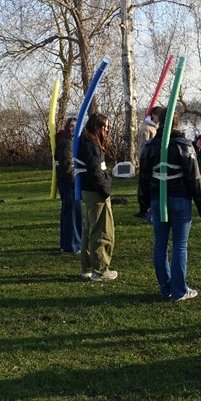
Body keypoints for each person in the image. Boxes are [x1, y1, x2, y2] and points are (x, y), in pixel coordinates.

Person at [138, 107, 201, 301]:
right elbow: (194, 178)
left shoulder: (150, 146)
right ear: (177, 123)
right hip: (179, 200)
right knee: (179, 244)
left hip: (158, 200)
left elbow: (143, 178)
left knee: (160, 244)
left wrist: (144, 204)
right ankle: (177, 290)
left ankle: (166, 287)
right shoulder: (184, 145)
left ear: (160, 121)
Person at [76, 112, 117, 281]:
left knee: (89, 229)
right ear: (97, 127)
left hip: (89, 190)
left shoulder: (86, 141)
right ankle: (100, 270)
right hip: (96, 192)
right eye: (105, 127)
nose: (106, 130)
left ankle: (87, 268)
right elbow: (96, 172)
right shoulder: (91, 145)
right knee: (101, 231)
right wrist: (106, 190)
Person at [54, 116, 81, 254]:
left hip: (66, 181)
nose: (74, 129)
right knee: (71, 214)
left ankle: (67, 244)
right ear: (67, 127)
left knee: (68, 213)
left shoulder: (69, 142)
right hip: (68, 182)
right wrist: (74, 181)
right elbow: (66, 166)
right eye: (71, 126)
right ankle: (72, 245)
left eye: (76, 126)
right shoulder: (67, 143)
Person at [134, 106, 162, 218]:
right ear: (154, 115)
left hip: (152, 161)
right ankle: (144, 209)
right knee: (145, 185)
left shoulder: (154, 128)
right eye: (159, 116)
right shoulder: (147, 129)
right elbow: (143, 147)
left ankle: (150, 207)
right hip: (147, 161)